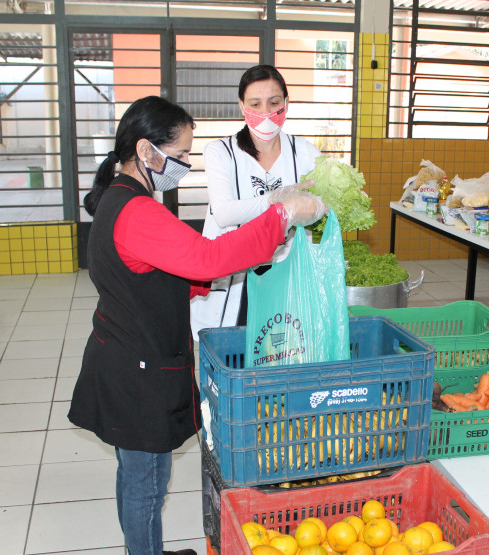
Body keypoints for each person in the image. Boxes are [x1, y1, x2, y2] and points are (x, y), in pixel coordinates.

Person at [67, 96, 325, 555]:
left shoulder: (117, 197)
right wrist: (282, 215)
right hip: (137, 370)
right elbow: (208, 256)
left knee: (136, 474)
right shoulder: (139, 211)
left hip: (123, 351)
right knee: (147, 483)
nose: (184, 164)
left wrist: (199, 286)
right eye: (181, 154)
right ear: (146, 151)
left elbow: (145, 271)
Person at [190, 64, 322, 337]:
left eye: (274, 103)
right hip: (235, 280)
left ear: (286, 103)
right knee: (233, 358)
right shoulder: (220, 151)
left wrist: (321, 206)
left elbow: (330, 204)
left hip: (287, 279)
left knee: (283, 351)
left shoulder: (306, 153)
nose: (265, 113)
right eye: (255, 104)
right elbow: (224, 213)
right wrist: (279, 202)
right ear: (241, 106)